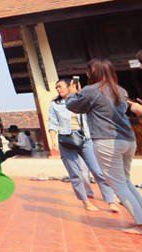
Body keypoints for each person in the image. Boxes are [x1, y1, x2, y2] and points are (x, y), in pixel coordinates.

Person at [66, 58, 142, 235]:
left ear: (92, 73)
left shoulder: (91, 90)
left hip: (107, 141)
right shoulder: (120, 90)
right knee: (126, 181)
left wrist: (73, 93)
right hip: (128, 140)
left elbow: (73, 107)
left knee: (118, 185)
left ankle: (140, 223)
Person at [48, 78, 119, 212]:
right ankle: (86, 203)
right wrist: (53, 141)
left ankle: (111, 200)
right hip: (66, 141)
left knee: (98, 171)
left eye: (60, 86)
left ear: (70, 86)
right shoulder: (55, 105)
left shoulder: (83, 100)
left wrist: (80, 95)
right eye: (56, 87)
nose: (58, 89)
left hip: (85, 139)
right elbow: (52, 123)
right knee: (76, 174)